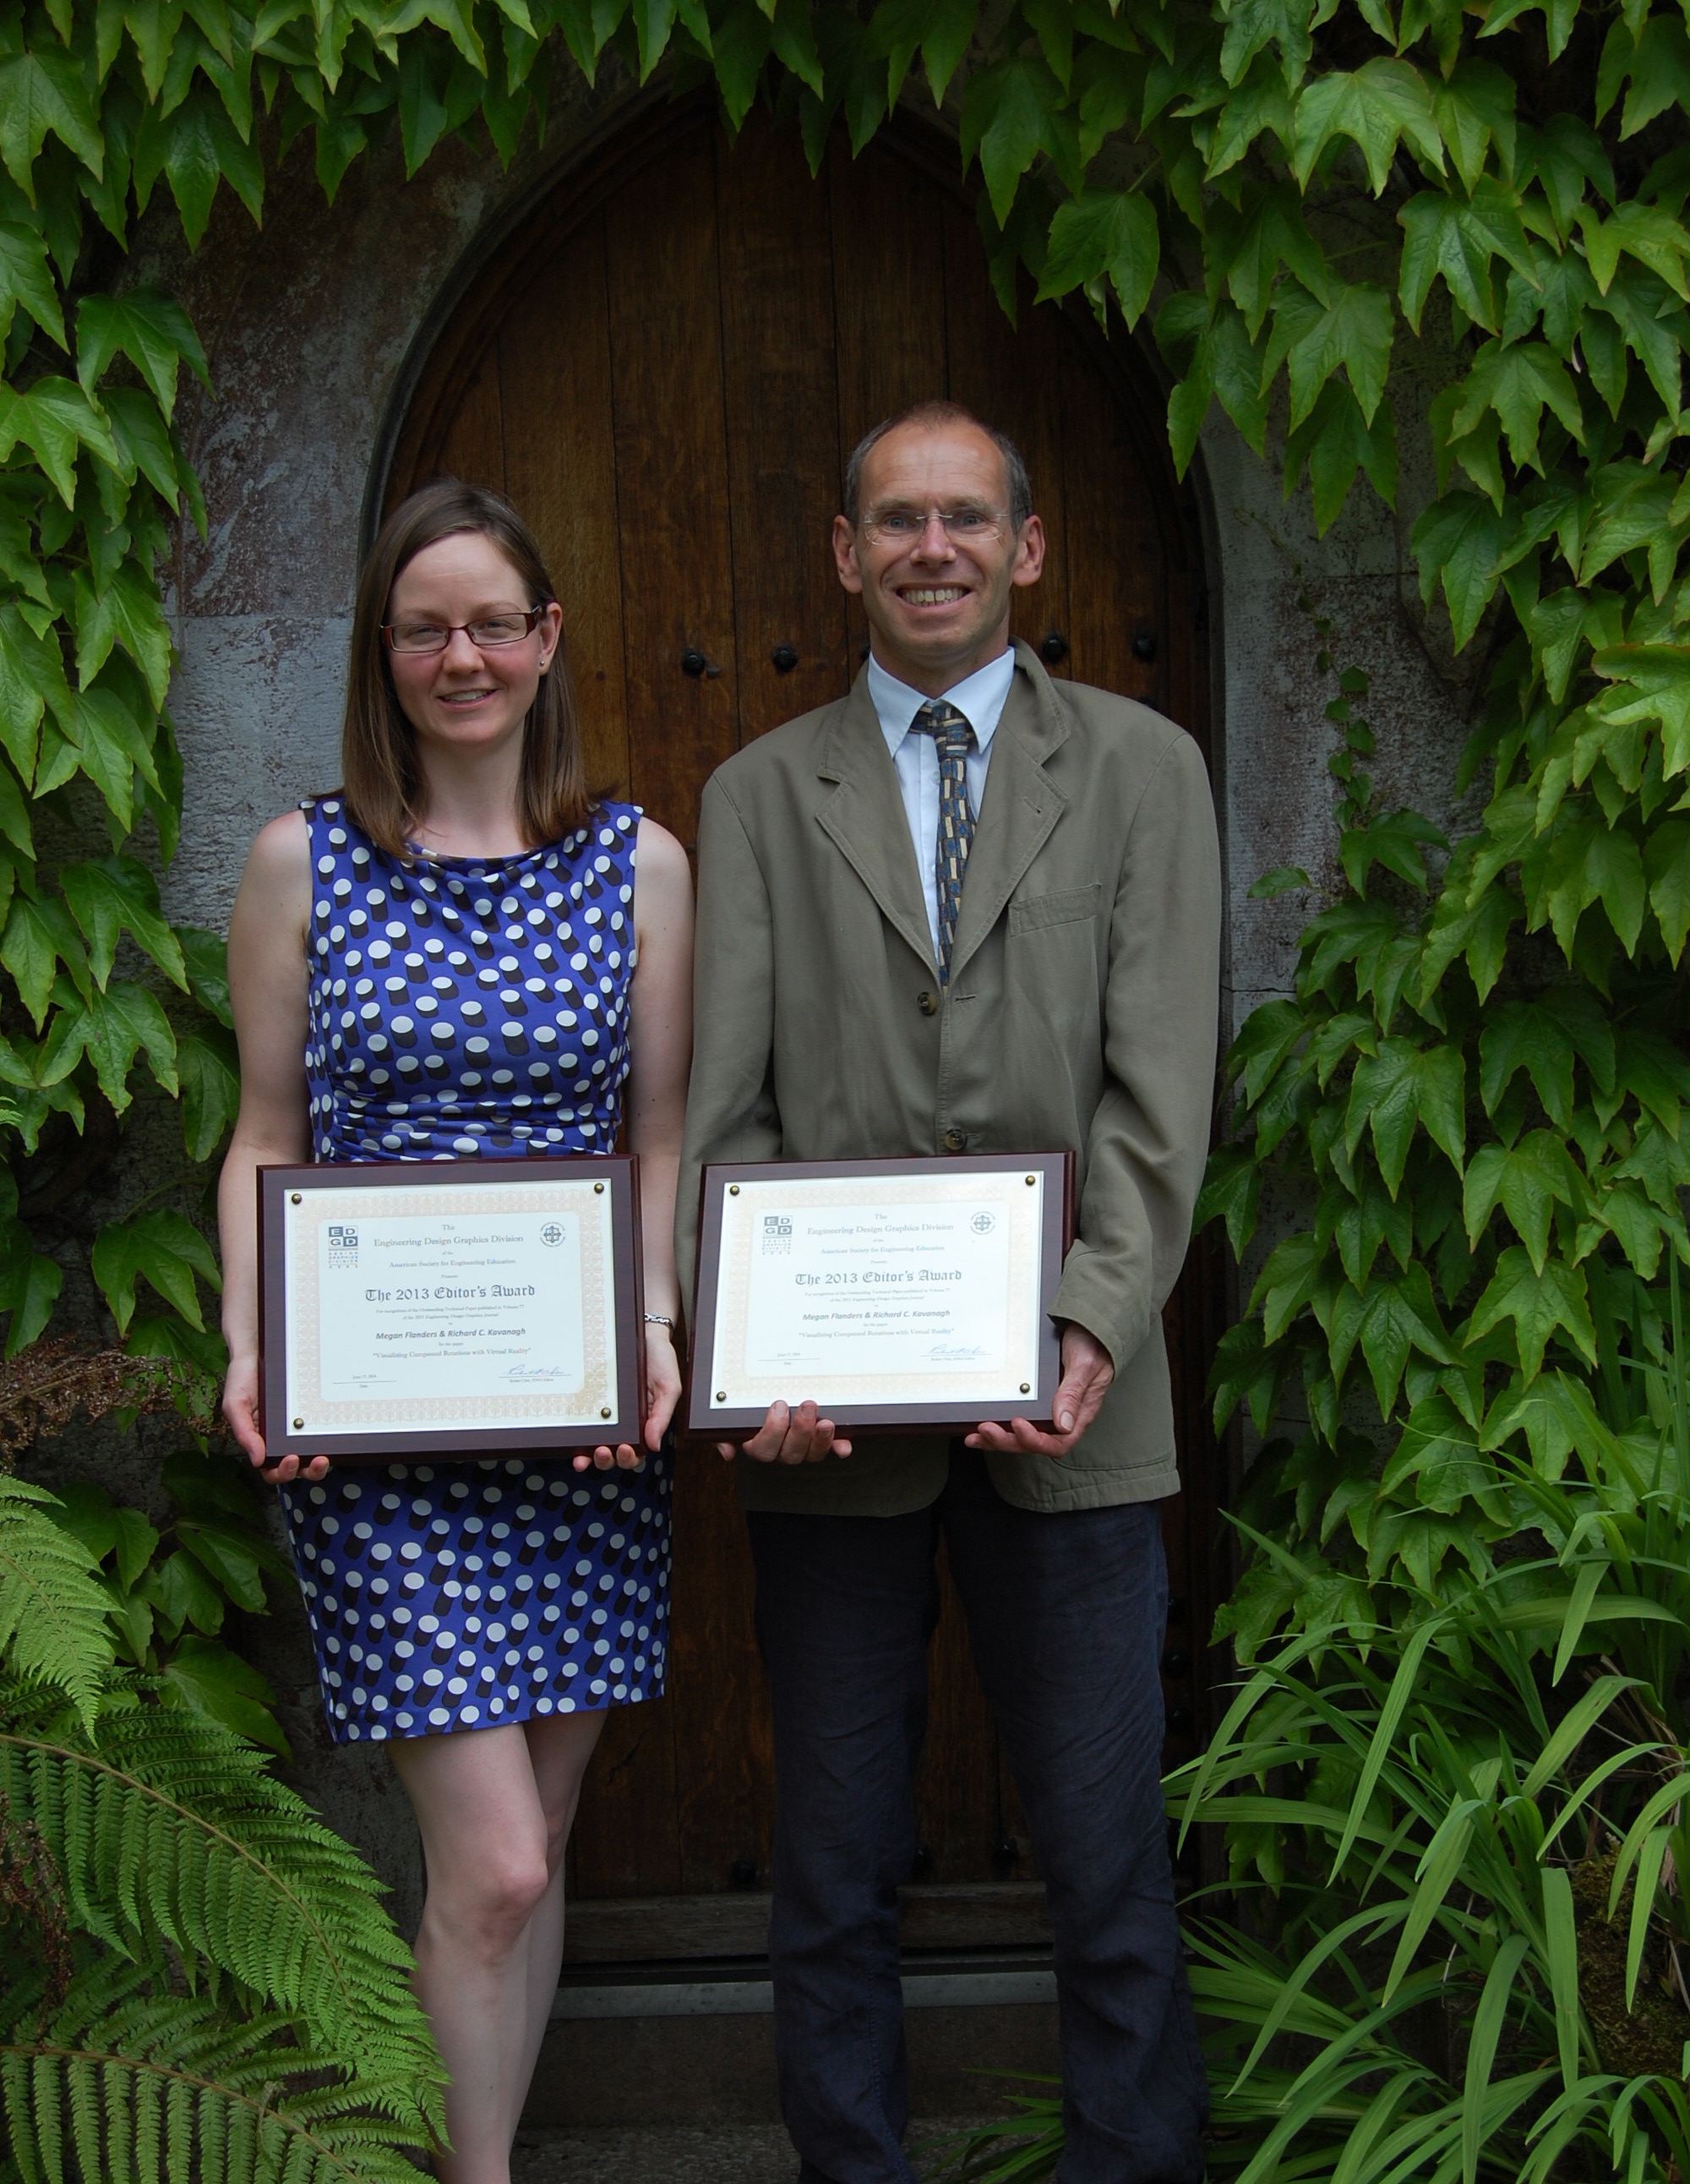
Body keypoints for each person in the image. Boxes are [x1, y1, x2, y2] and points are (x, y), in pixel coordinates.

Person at [678, 401, 1220, 2184]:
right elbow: (726, 1110)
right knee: (832, 1860)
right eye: (895, 518)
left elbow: (1160, 1098)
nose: (931, 546)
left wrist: (1086, 1321)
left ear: (1027, 547)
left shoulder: (1142, 770)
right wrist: (753, 1364)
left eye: (964, 517)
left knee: (1103, 1854)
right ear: (844, 552)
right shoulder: (760, 792)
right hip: (827, 1433)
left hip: (1080, 1402)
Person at [218, 479, 694, 2184]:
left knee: (538, 1845)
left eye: (492, 620)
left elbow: (656, 1132)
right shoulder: (304, 860)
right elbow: (267, 1133)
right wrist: (248, 1337)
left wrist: (647, 1320)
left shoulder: (637, 866)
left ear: (547, 637)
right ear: (384, 653)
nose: (462, 655)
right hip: (382, 1431)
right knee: (489, 1861)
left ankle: (480, 2147)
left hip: (577, 1432)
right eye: (425, 627)